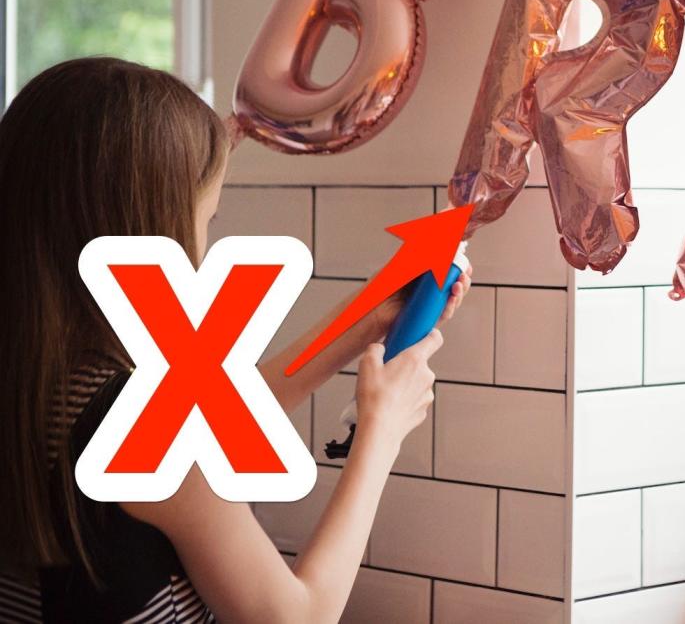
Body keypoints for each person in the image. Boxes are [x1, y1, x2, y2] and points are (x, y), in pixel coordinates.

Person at [0, 57, 469, 623]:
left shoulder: (44, 378)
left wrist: (367, 322)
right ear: (152, 232)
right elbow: (298, 617)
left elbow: (209, 420)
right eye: (206, 220)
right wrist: (382, 431)